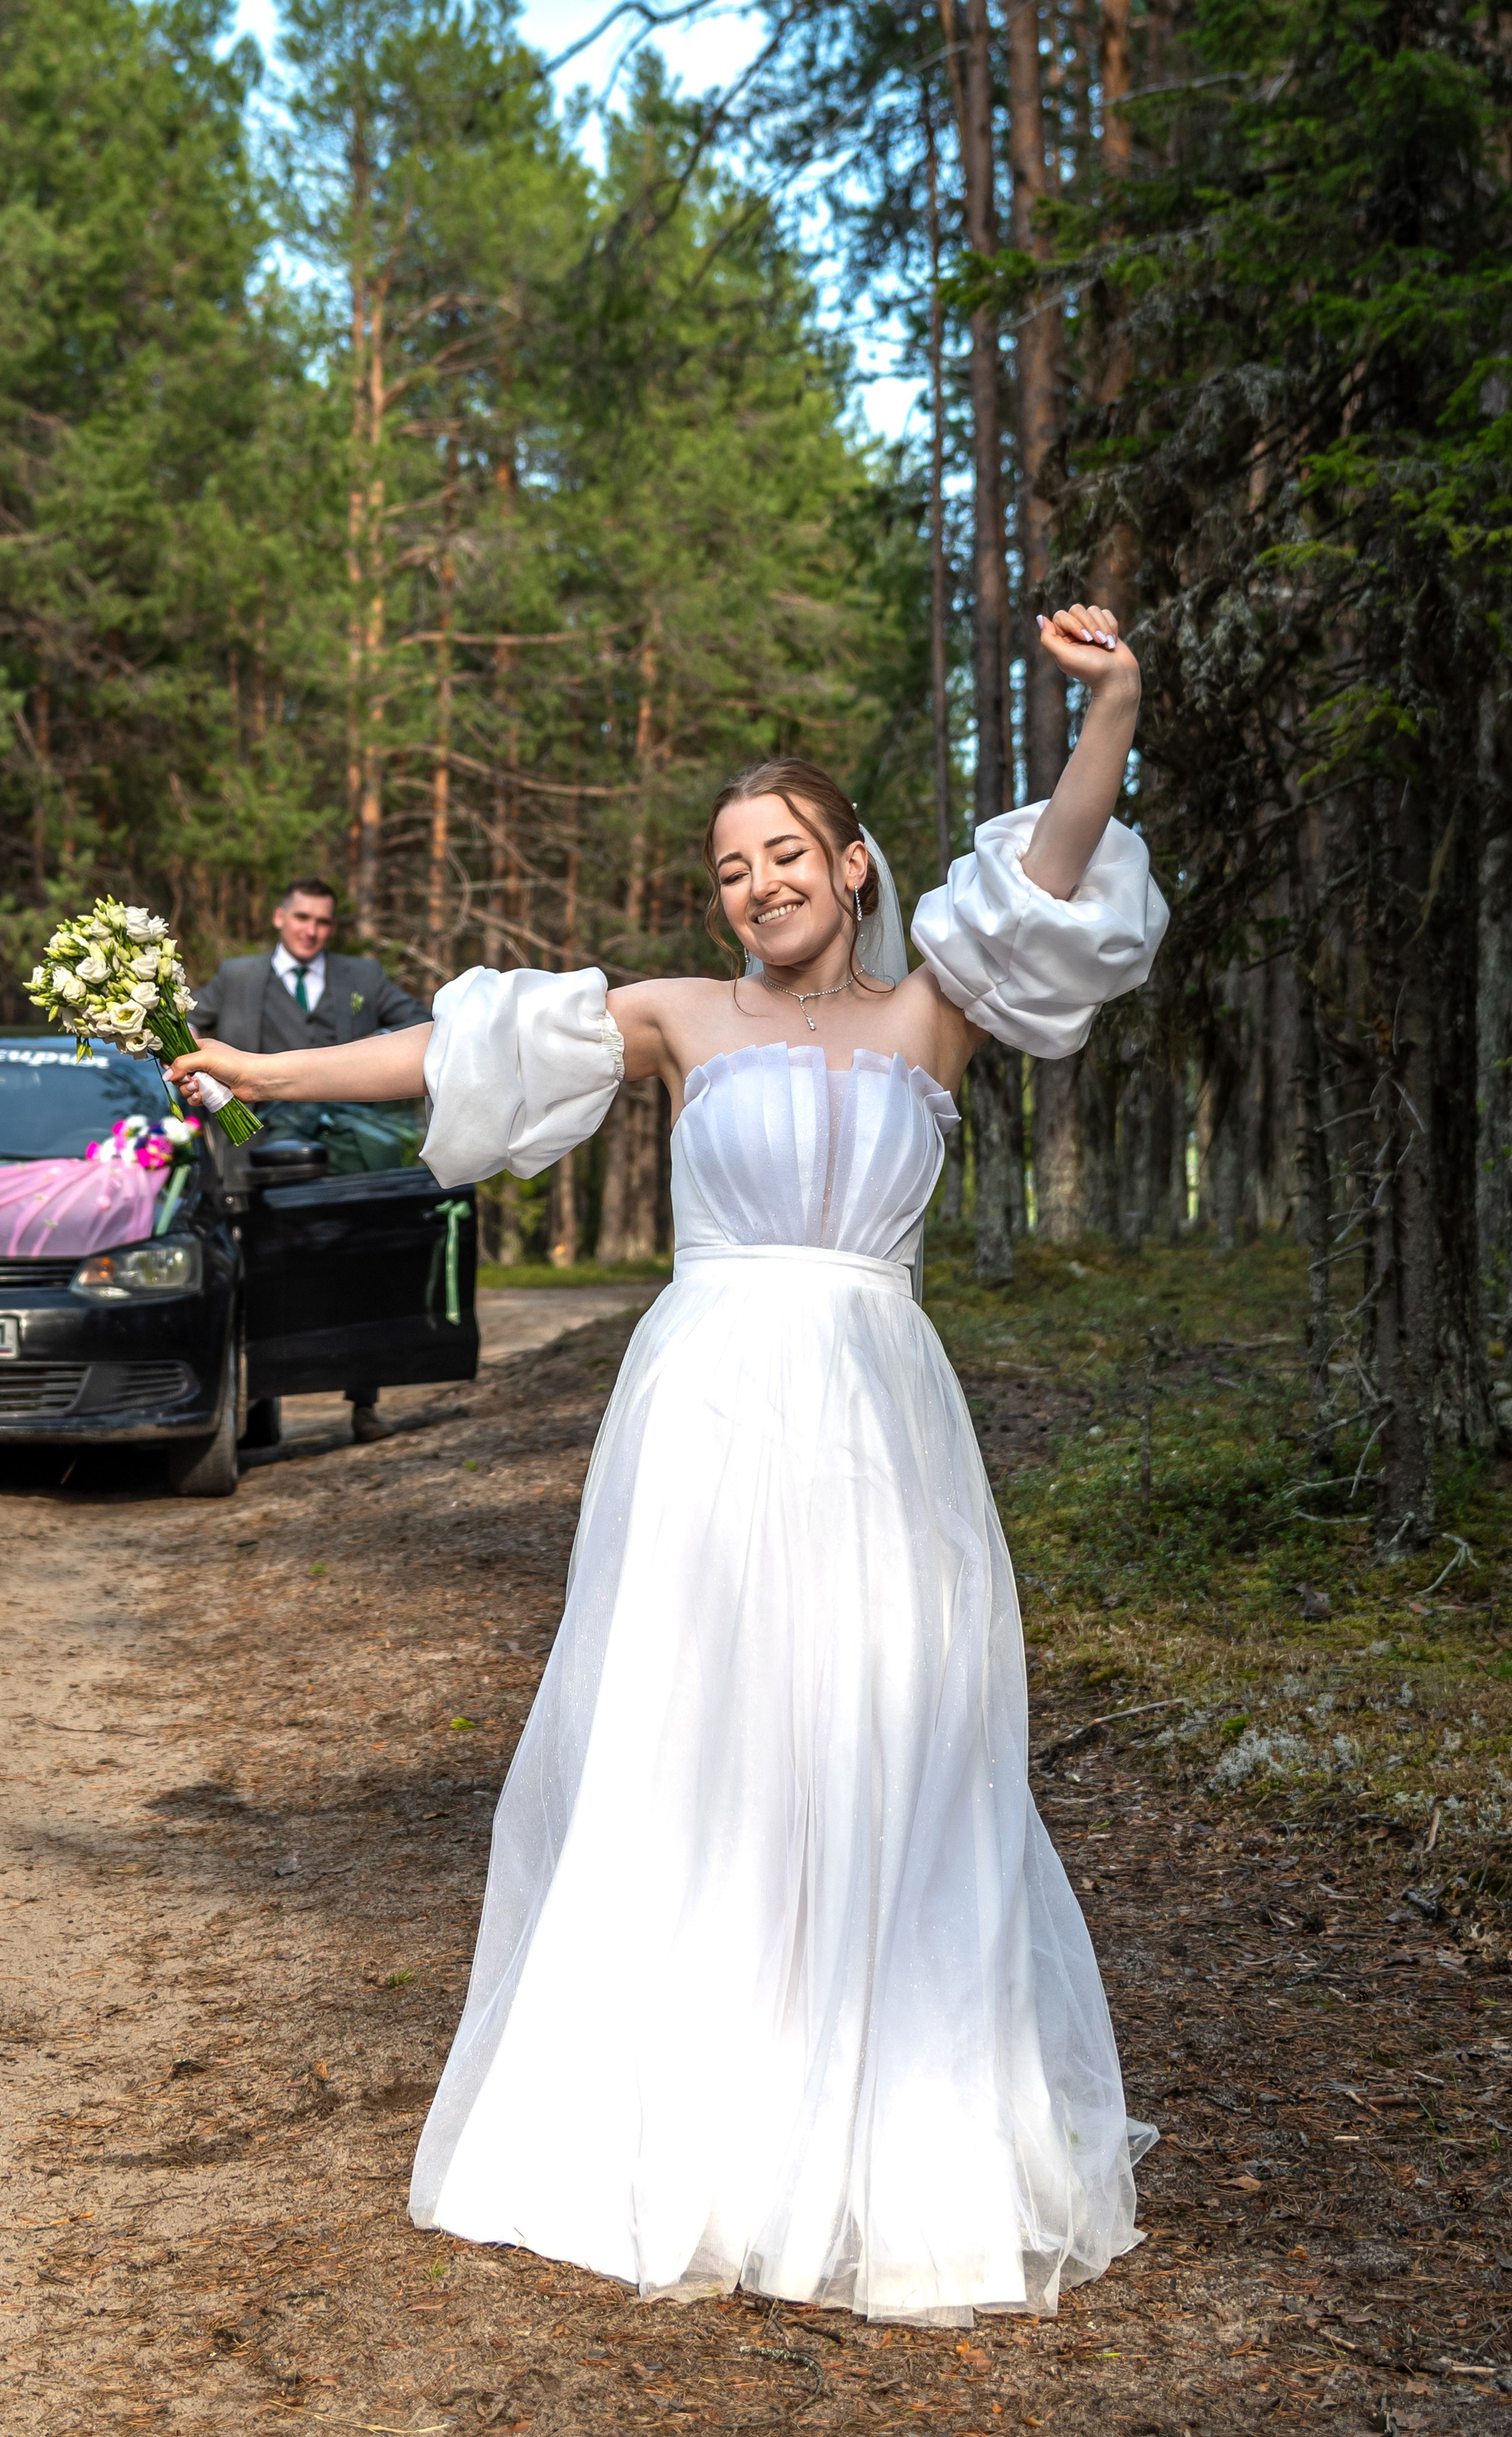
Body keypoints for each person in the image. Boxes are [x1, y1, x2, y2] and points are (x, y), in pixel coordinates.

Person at [171, 602, 1168, 2327]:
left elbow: (1056, 870)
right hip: (702, 1419)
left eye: (783, 853)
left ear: (852, 866)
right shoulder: (677, 1017)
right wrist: (263, 1066)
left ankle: (878, 2115)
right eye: (727, 866)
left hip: (876, 1424)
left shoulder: (940, 1010)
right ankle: (685, 2110)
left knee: (886, 1732)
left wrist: (1112, 709)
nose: (755, 883)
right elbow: (454, 1052)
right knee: (692, 1737)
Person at [190, 875, 431, 1444]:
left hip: (348, 1157)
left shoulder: (362, 978)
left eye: (322, 922)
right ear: (280, 917)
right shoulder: (237, 977)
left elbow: (420, 1022)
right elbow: (187, 1031)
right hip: (256, 1156)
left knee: (355, 1268)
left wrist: (370, 1060)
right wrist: (198, 1077)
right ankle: (259, 1411)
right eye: (302, 918)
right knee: (264, 1273)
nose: (311, 931)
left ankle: (364, 1405)